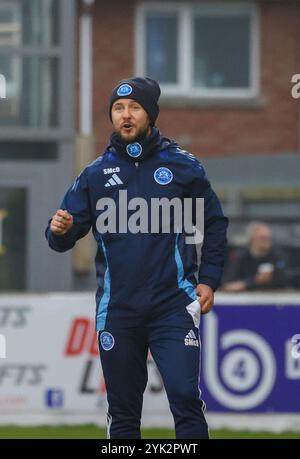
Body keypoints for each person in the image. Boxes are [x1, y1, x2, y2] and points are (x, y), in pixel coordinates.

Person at [45, 77, 228, 439]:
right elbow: (60, 240)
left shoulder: (183, 168)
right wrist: (59, 230)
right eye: (118, 108)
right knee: (123, 412)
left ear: (151, 114)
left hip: (173, 307)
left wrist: (208, 279)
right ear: (111, 116)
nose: (125, 116)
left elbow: (214, 224)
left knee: (185, 399)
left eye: (134, 108)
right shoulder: (94, 175)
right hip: (118, 311)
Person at [222, 222, 288, 292]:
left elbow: (285, 282)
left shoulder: (276, 255)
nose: (267, 243)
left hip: (273, 297)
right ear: (252, 239)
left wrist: (274, 276)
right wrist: (254, 281)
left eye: (269, 238)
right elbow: (227, 286)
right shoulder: (240, 256)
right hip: (245, 298)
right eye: (263, 239)